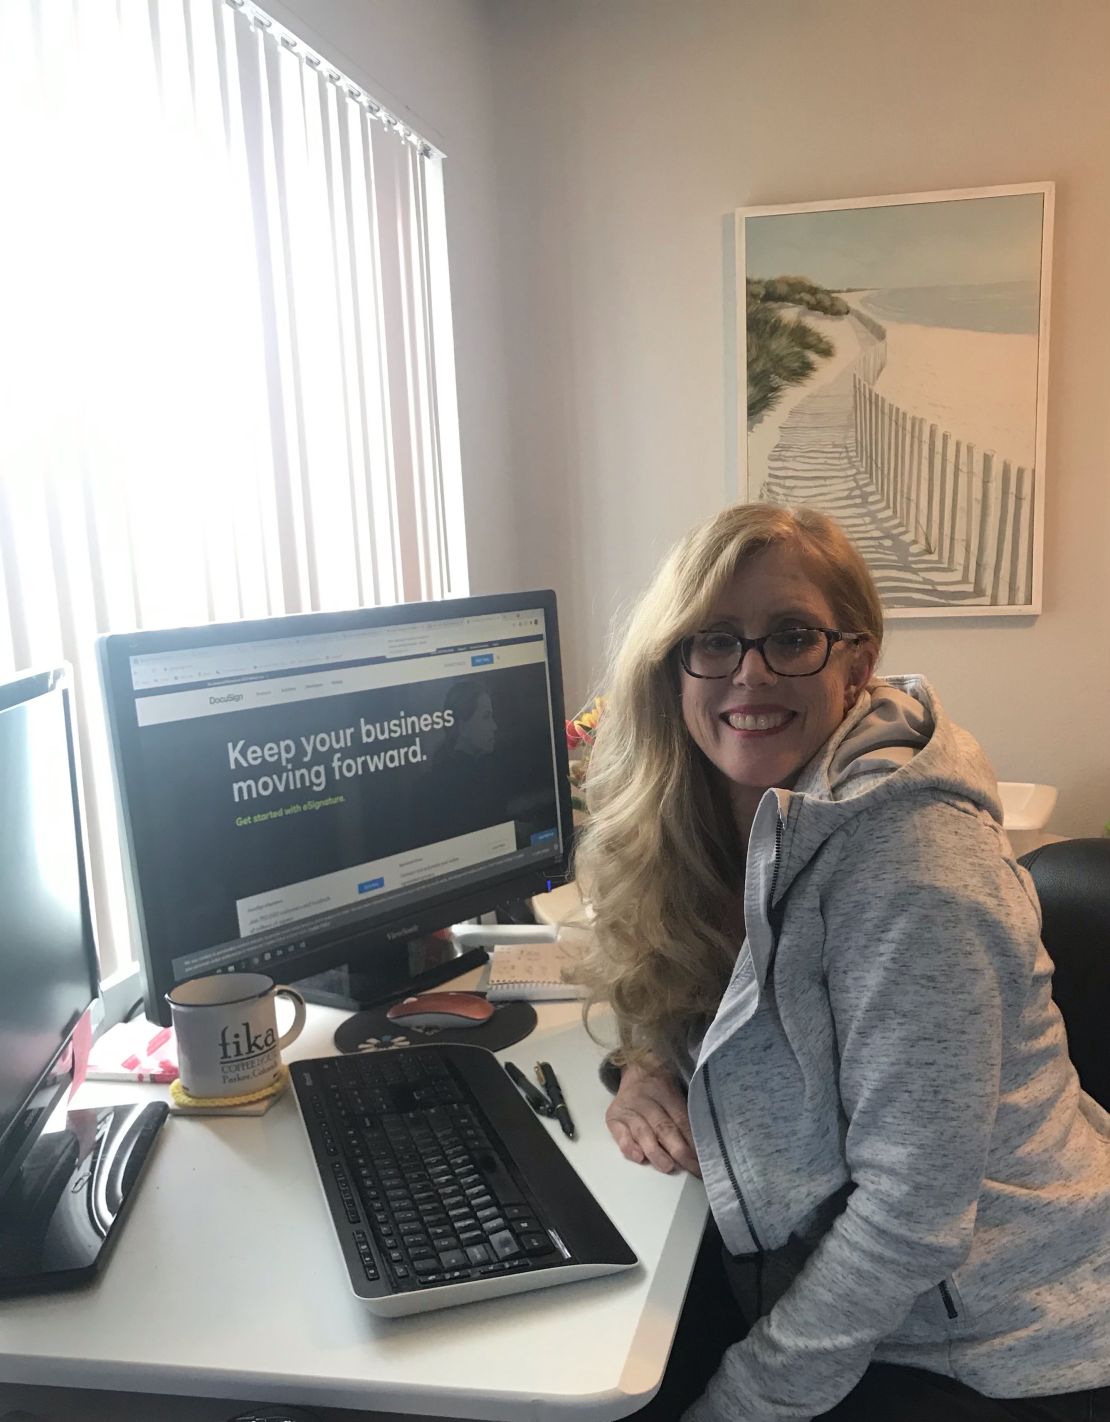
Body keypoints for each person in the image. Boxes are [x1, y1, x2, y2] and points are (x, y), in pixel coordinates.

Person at [572, 503, 1110, 1421]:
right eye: (714, 640)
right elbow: (685, 979)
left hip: (996, 1339)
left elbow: (910, 1221)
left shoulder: (916, 870)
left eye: (791, 637)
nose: (750, 672)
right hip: (820, 1276)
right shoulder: (716, 811)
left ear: (856, 662)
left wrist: (736, 1408)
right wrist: (648, 1068)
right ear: (676, 664)